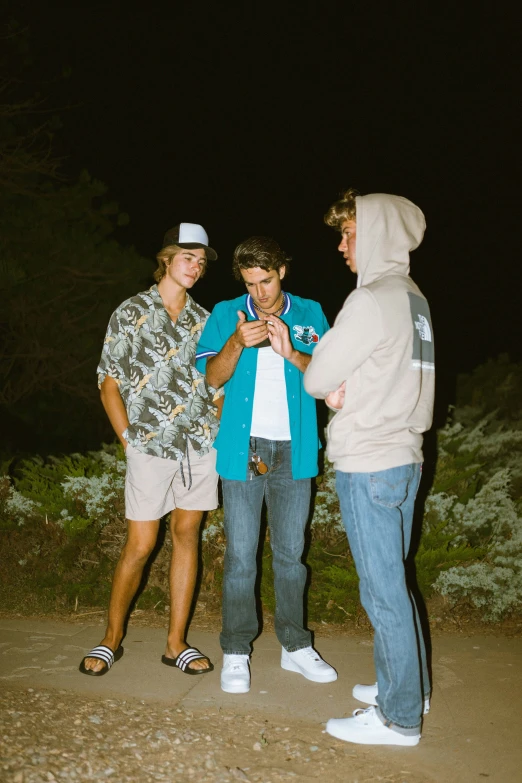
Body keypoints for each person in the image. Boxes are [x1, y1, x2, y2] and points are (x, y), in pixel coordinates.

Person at [304, 190, 434, 746]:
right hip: (404, 457)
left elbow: (315, 378)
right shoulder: (413, 299)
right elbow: (391, 374)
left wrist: (336, 386)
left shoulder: (370, 300)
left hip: (370, 463)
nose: (341, 245)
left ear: (376, 235)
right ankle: (408, 685)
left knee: (381, 592)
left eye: (349, 234)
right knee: (394, 585)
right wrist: (352, 387)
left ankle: (399, 718)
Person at [195, 236, 337, 693]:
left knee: (291, 555)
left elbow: (330, 377)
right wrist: (237, 341)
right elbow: (211, 378)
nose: (260, 293)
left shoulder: (312, 313)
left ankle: (295, 645)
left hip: (295, 449)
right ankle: (236, 650)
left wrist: (290, 350)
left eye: (267, 280)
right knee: (240, 556)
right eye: (251, 283)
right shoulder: (226, 313)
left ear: (283, 271)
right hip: (245, 448)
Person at [79, 223, 221, 677]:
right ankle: (110, 639)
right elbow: (108, 384)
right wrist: (129, 441)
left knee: (186, 536)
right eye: (188, 258)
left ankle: (176, 643)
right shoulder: (131, 311)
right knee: (141, 543)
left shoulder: (205, 319)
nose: (195, 268)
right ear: (166, 258)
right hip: (149, 447)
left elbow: (215, 383)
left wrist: (218, 420)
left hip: (199, 445)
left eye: (201, 262)